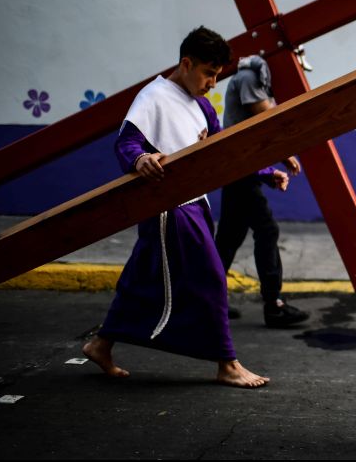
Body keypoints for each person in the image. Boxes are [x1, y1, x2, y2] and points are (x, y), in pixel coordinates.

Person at [82, 26, 273, 389]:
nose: (213, 83)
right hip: (170, 207)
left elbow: (224, 149)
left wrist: (267, 172)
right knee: (213, 278)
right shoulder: (153, 96)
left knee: (143, 277)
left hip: (193, 204)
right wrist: (139, 160)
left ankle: (100, 344)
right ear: (186, 63)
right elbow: (127, 141)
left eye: (218, 75)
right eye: (209, 73)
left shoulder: (201, 106)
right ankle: (227, 363)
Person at [215, 54, 310, 328]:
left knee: (229, 238)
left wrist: (270, 169)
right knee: (266, 230)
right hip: (239, 169)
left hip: (244, 169)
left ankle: (207, 299)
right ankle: (274, 305)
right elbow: (268, 118)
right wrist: (285, 154)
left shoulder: (258, 83)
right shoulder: (247, 79)